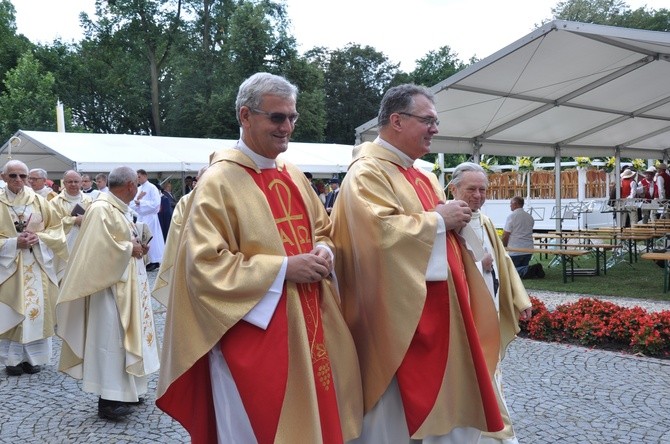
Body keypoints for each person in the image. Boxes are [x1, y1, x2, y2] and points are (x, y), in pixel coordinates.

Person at [156, 72, 362, 443]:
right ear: (245, 116)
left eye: (292, 117)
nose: (287, 127)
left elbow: (324, 228)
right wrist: (284, 268)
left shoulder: (294, 175)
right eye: (277, 117)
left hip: (311, 324)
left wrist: (324, 252)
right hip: (253, 333)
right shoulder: (219, 181)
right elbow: (204, 265)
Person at [330, 83, 502, 443]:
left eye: (435, 121)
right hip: (396, 322)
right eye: (428, 120)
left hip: (443, 315)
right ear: (396, 120)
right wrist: (438, 221)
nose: (435, 129)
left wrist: (450, 224)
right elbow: (377, 236)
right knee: (392, 418)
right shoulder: (367, 173)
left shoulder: (421, 175)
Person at [56, 166, 159, 421]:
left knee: (128, 339)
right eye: (135, 184)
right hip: (109, 290)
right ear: (131, 186)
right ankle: (109, 400)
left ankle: (131, 391)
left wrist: (136, 245)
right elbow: (96, 250)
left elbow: (123, 239)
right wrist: (128, 248)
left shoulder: (117, 208)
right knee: (112, 342)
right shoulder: (101, 208)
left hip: (128, 284)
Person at [448, 162, 533, 444]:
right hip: (462, 313)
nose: (478, 195)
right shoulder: (443, 220)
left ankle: (491, 429)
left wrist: (520, 299)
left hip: (490, 308)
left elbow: (503, 260)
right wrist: (474, 261)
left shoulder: (482, 220)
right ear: (453, 188)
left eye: (483, 189)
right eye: (471, 189)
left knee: (491, 370)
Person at [0, 160, 68, 376]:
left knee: (36, 311)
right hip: (9, 267)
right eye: (13, 176)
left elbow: (56, 230)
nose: (18, 180)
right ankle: (12, 361)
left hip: (37, 264)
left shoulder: (39, 201)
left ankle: (32, 359)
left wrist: (38, 238)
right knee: (12, 308)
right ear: (3, 177)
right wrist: (13, 243)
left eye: (23, 176)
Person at [152, 166, 207, 307]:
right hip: (194, 257)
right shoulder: (186, 201)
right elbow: (178, 228)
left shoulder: (224, 197)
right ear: (198, 180)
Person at [129, 169, 165, 271]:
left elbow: (156, 204)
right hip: (141, 217)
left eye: (139, 177)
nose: (138, 179)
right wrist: (137, 203)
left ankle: (154, 261)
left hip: (150, 217)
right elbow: (132, 204)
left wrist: (141, 203)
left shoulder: (152, 187)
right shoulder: (139, 189)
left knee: (152, 239)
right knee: (142, 238)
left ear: (145, 176)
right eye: (137, 177)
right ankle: (146, 259)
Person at [50, 170, 94, 254]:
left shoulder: (90, 200)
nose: (73, 184)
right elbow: (52, 225)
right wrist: (74, 220)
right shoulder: (55, 202)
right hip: (64, 246)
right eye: (70, 181)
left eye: (76, 181)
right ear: (64, 183)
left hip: (86, 242)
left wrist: (86, 219)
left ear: (81, 183)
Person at [502, 196, 543, 279]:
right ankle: (529, 269)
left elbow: (506, 234)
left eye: (511, 203)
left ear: (516, 204)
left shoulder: (512, 216)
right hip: (528, 249)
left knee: (510, 271)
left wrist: (504, 246)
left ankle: (530, 269)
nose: (510, 205)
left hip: (516, 249)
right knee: (521, 270)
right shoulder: (529, 217)